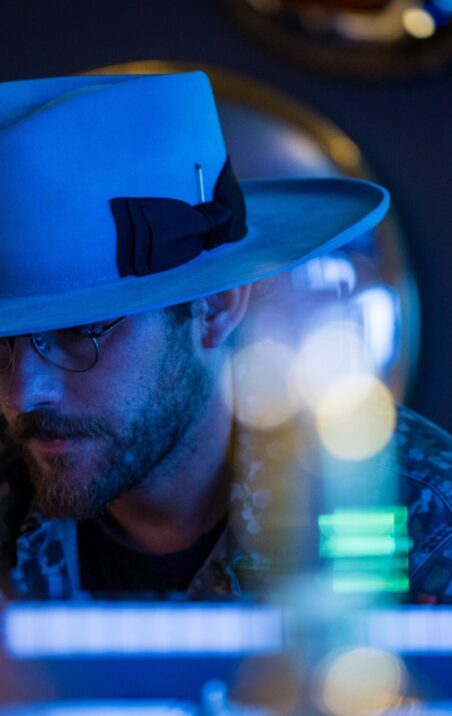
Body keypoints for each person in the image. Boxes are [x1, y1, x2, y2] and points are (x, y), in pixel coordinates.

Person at [0, 72, 450, 602]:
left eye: (80, 332)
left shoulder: (422, 527)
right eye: (2, 342)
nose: (20, 395)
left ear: (214, 308)